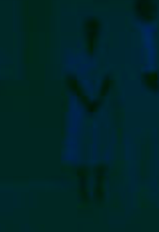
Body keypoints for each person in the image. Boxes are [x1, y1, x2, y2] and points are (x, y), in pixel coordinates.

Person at [122, 0, 159, 212]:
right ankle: (132, 194)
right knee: (133, 148)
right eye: (144, 6)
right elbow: (121, 66)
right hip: (135, 99)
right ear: (137, 9)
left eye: (151, 6)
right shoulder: (125, 35)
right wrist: (141, 80)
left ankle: (155, 193)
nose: (149, 10)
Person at [63, 17, 116, 204]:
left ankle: (99, 185)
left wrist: (98, 100)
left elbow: (109, 79)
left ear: (99, 32)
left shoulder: (106, 53)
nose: (92, 32)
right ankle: (83, 187)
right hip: (80, 108)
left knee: (102, 145)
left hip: (101, 107)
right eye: (89, 29)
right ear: (84, 31)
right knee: (80, 146)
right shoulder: (74, 53)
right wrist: (85, 101)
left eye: (95, 29)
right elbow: (71, 80)